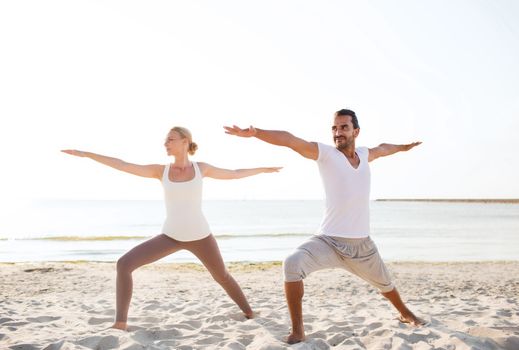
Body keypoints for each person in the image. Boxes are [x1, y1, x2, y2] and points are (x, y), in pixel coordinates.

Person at [224, 109, 425, 344]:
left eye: (343, 127)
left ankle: (405, 312)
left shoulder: (364, 154)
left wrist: (403, 147)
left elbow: (383, 148)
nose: (338, 132)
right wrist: (256, 133)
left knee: (386, 284)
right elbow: (290, 140)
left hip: (361, 245)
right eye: (334, 128)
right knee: (292, 263)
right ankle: (298, 330)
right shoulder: (326, 154)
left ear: (356, 131)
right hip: (327, 241)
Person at [62, 126, 281, 331]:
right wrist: (87, 154)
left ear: (185, 142)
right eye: (165, 140)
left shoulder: (201, 168)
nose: (165, 143)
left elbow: (234, 173)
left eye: (170, 139)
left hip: (201, 236)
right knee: (124, 264)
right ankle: (120, 323)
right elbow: (123, 165)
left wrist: (261, 169)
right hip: (171, 236)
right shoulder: (161, 171)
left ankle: (250, 312)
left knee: (222, 276)